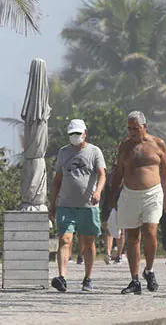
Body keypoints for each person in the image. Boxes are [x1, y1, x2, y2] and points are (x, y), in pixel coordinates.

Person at [108, 111, 166, 294]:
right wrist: (112, 195)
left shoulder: (158, 143)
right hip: (130, 194)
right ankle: (134, 279)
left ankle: (150, 270)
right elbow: (119, 172)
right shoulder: (125, 146)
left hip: (153, 193)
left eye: (135, 128)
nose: (132, 132)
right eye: (129, 128)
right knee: (132, 237)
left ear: (144, 126)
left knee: (150, 232)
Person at [49, 119, 106, 292]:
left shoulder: (94, 151)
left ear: (85, 133)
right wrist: (52, 202)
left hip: (88, 205)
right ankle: (62, 277)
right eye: (72, 134)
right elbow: (57, 178)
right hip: (66, 204)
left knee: (88, 242)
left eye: (78, 134)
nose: (75, 137)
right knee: (65, 239)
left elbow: (102, 174)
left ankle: (88, 278)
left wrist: (98, 192)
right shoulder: (63, 152)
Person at [101, 159, 125, 265]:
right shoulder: (108, 177)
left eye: (117, 166)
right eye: (114, 166)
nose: (115, 168)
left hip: (122, 206)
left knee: (122, 231)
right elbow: (104, 193)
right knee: (109, 230)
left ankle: (119, 255)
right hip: (109, 206)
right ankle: (108, 253)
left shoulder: (125, 178)